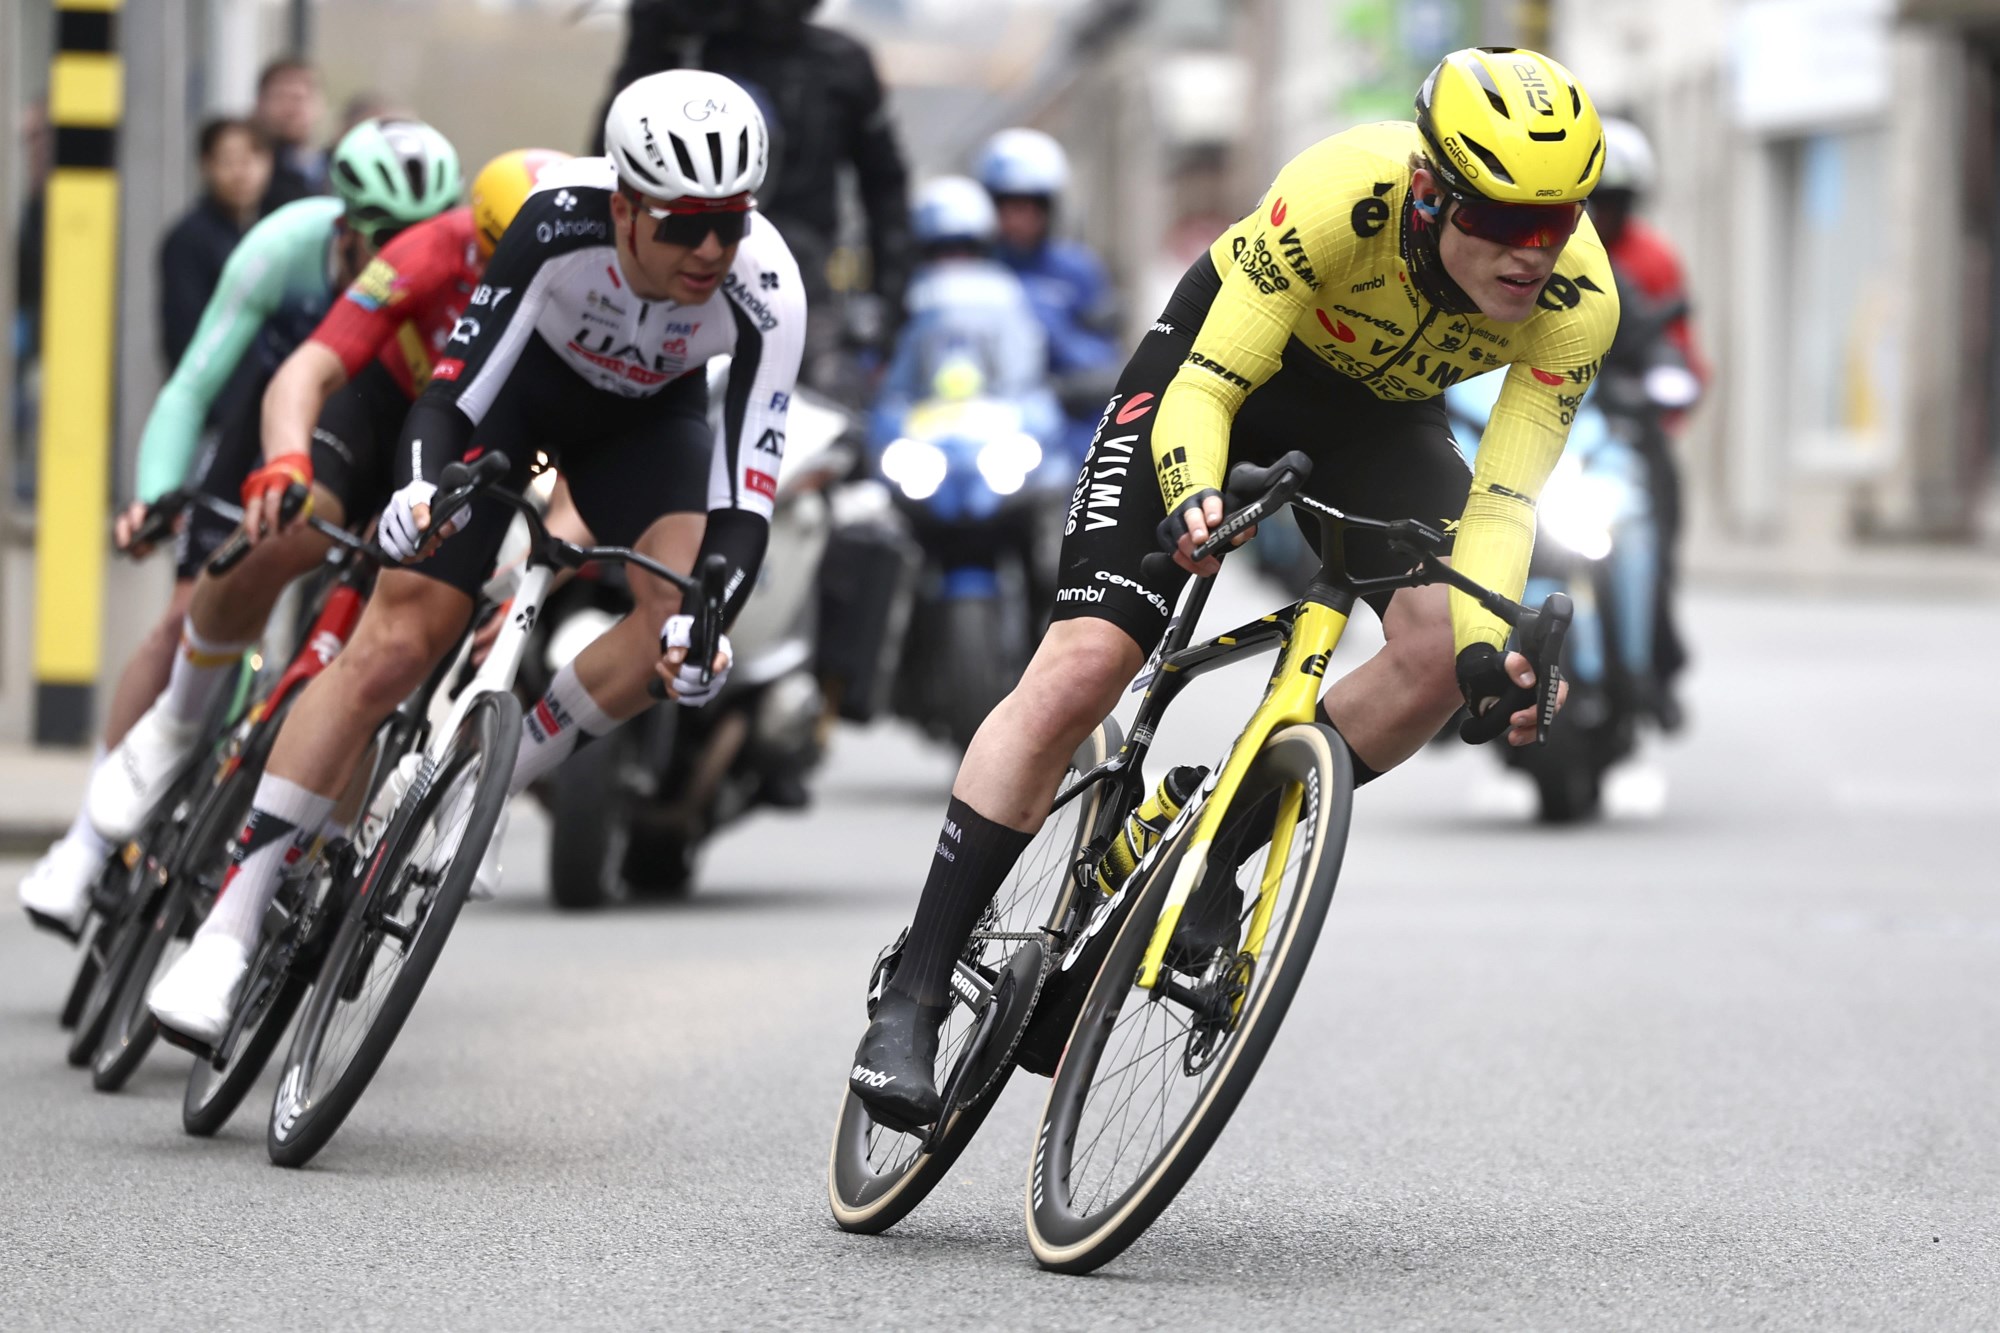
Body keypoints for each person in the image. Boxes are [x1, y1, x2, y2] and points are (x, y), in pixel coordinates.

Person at [847, 47, 1618, 1129]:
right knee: (1086, 663)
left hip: (1379, 421)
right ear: (1430, 190)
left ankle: (1211, 852)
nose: (1531, 252)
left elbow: (1502, 500)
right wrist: (1190, 497)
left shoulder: (1577, 301)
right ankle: (916, 989)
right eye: (1501, 218)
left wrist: (1489, 651)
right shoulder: (1339, 192)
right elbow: (1208, 387)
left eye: (1556, 219)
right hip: (1222, 372)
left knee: (1441, 650)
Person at [142, 70, 805, 1047]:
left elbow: (746, 498)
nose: (710, 250)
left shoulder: (766, 287)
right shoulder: (556, 223)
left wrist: (709, 621)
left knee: (675, 620)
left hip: (646, 422)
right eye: (683, 225)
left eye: (730, 222)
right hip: (519, 395)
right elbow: (453, 395)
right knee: (398, 640)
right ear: (625, 207)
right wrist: (417, 492)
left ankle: (491, 783)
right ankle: (229, 926)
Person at [15, 119, 463, 937]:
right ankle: (87, 842)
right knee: (187, 609)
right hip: (276, 430)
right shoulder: (286, 246)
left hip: (385, 445)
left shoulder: (450, 278)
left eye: (419, 233)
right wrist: (155, 495)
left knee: (366, 651)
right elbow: (192, 384)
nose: (402, 253)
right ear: (343, 224)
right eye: (382, 235)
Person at [597, 0, 911, 388]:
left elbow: (885, 189)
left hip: (802, 282)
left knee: (828, 404)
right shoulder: (692, 50)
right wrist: (652, 36)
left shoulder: (843, 64)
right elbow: (616, 156)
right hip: (685, 266)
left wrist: (885, 307)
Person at [1589, 116, 1705, 727]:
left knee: (1653, 527)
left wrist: (1663, 394)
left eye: (1614, 202)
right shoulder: (1534, 250)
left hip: (1619, 427)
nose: (1600, 216)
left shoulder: (1649, 262)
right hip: (1536, 426)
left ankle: (1653, 668)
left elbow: (1673, 347)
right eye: (1591, 201)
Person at [870, 175, 1057, 449]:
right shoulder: (908, 300)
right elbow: (896, 387)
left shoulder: (1006, 294)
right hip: (925, 445)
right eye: (942, 251)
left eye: (965, 250)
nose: (954, 263)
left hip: (1000, 443)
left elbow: (1025, 377)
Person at [159, 117, 273, 370]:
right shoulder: (188, 239)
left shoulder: (271, 231)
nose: (240, 173)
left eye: (249, 160)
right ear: (206, 165)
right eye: (228, 161)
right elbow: (183, 337)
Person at [254, 57, 328, 214]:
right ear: (260, 104)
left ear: (319, 105)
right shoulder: (252, 177)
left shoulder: (335, 166)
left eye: (299, 98)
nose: (291, 110)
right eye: (281, 98)